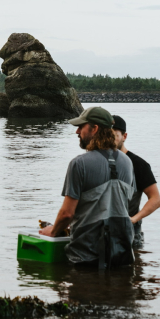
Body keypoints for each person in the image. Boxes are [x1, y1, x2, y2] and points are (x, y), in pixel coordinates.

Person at [40, 106, 136, 268]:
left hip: (86, 256)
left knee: (82, 289)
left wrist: (54, 231)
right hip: (121, 255)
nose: (77, 132)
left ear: (95, 129)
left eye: (81, 127)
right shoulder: (127, 162)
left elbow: (67, 214)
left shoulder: (79, 163)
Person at [112, 115, 160, 250]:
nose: (110, 140)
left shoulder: (139, 164)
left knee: (133, 269)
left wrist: (134, 219)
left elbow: (155, 200)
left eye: (114, 135)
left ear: (124, 136)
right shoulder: (100, 162)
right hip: (105, 231)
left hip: (131, 232)